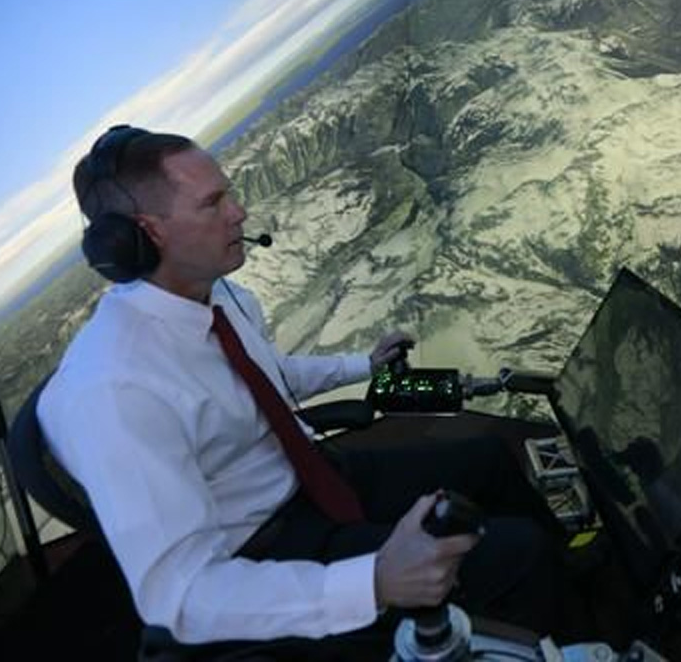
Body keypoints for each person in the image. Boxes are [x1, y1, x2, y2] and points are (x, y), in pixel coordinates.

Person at [38, 126, 566, 659]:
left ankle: (566, 580)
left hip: (314, 478)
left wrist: (363, 365)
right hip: (265, 547)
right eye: (213, 202)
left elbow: (265, 377)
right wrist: (378, 580)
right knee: (521, 554)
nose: (239, 212)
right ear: (146, 234)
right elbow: (182, 596)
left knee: (489, 460)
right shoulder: (112, 389)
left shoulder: (216, 296)